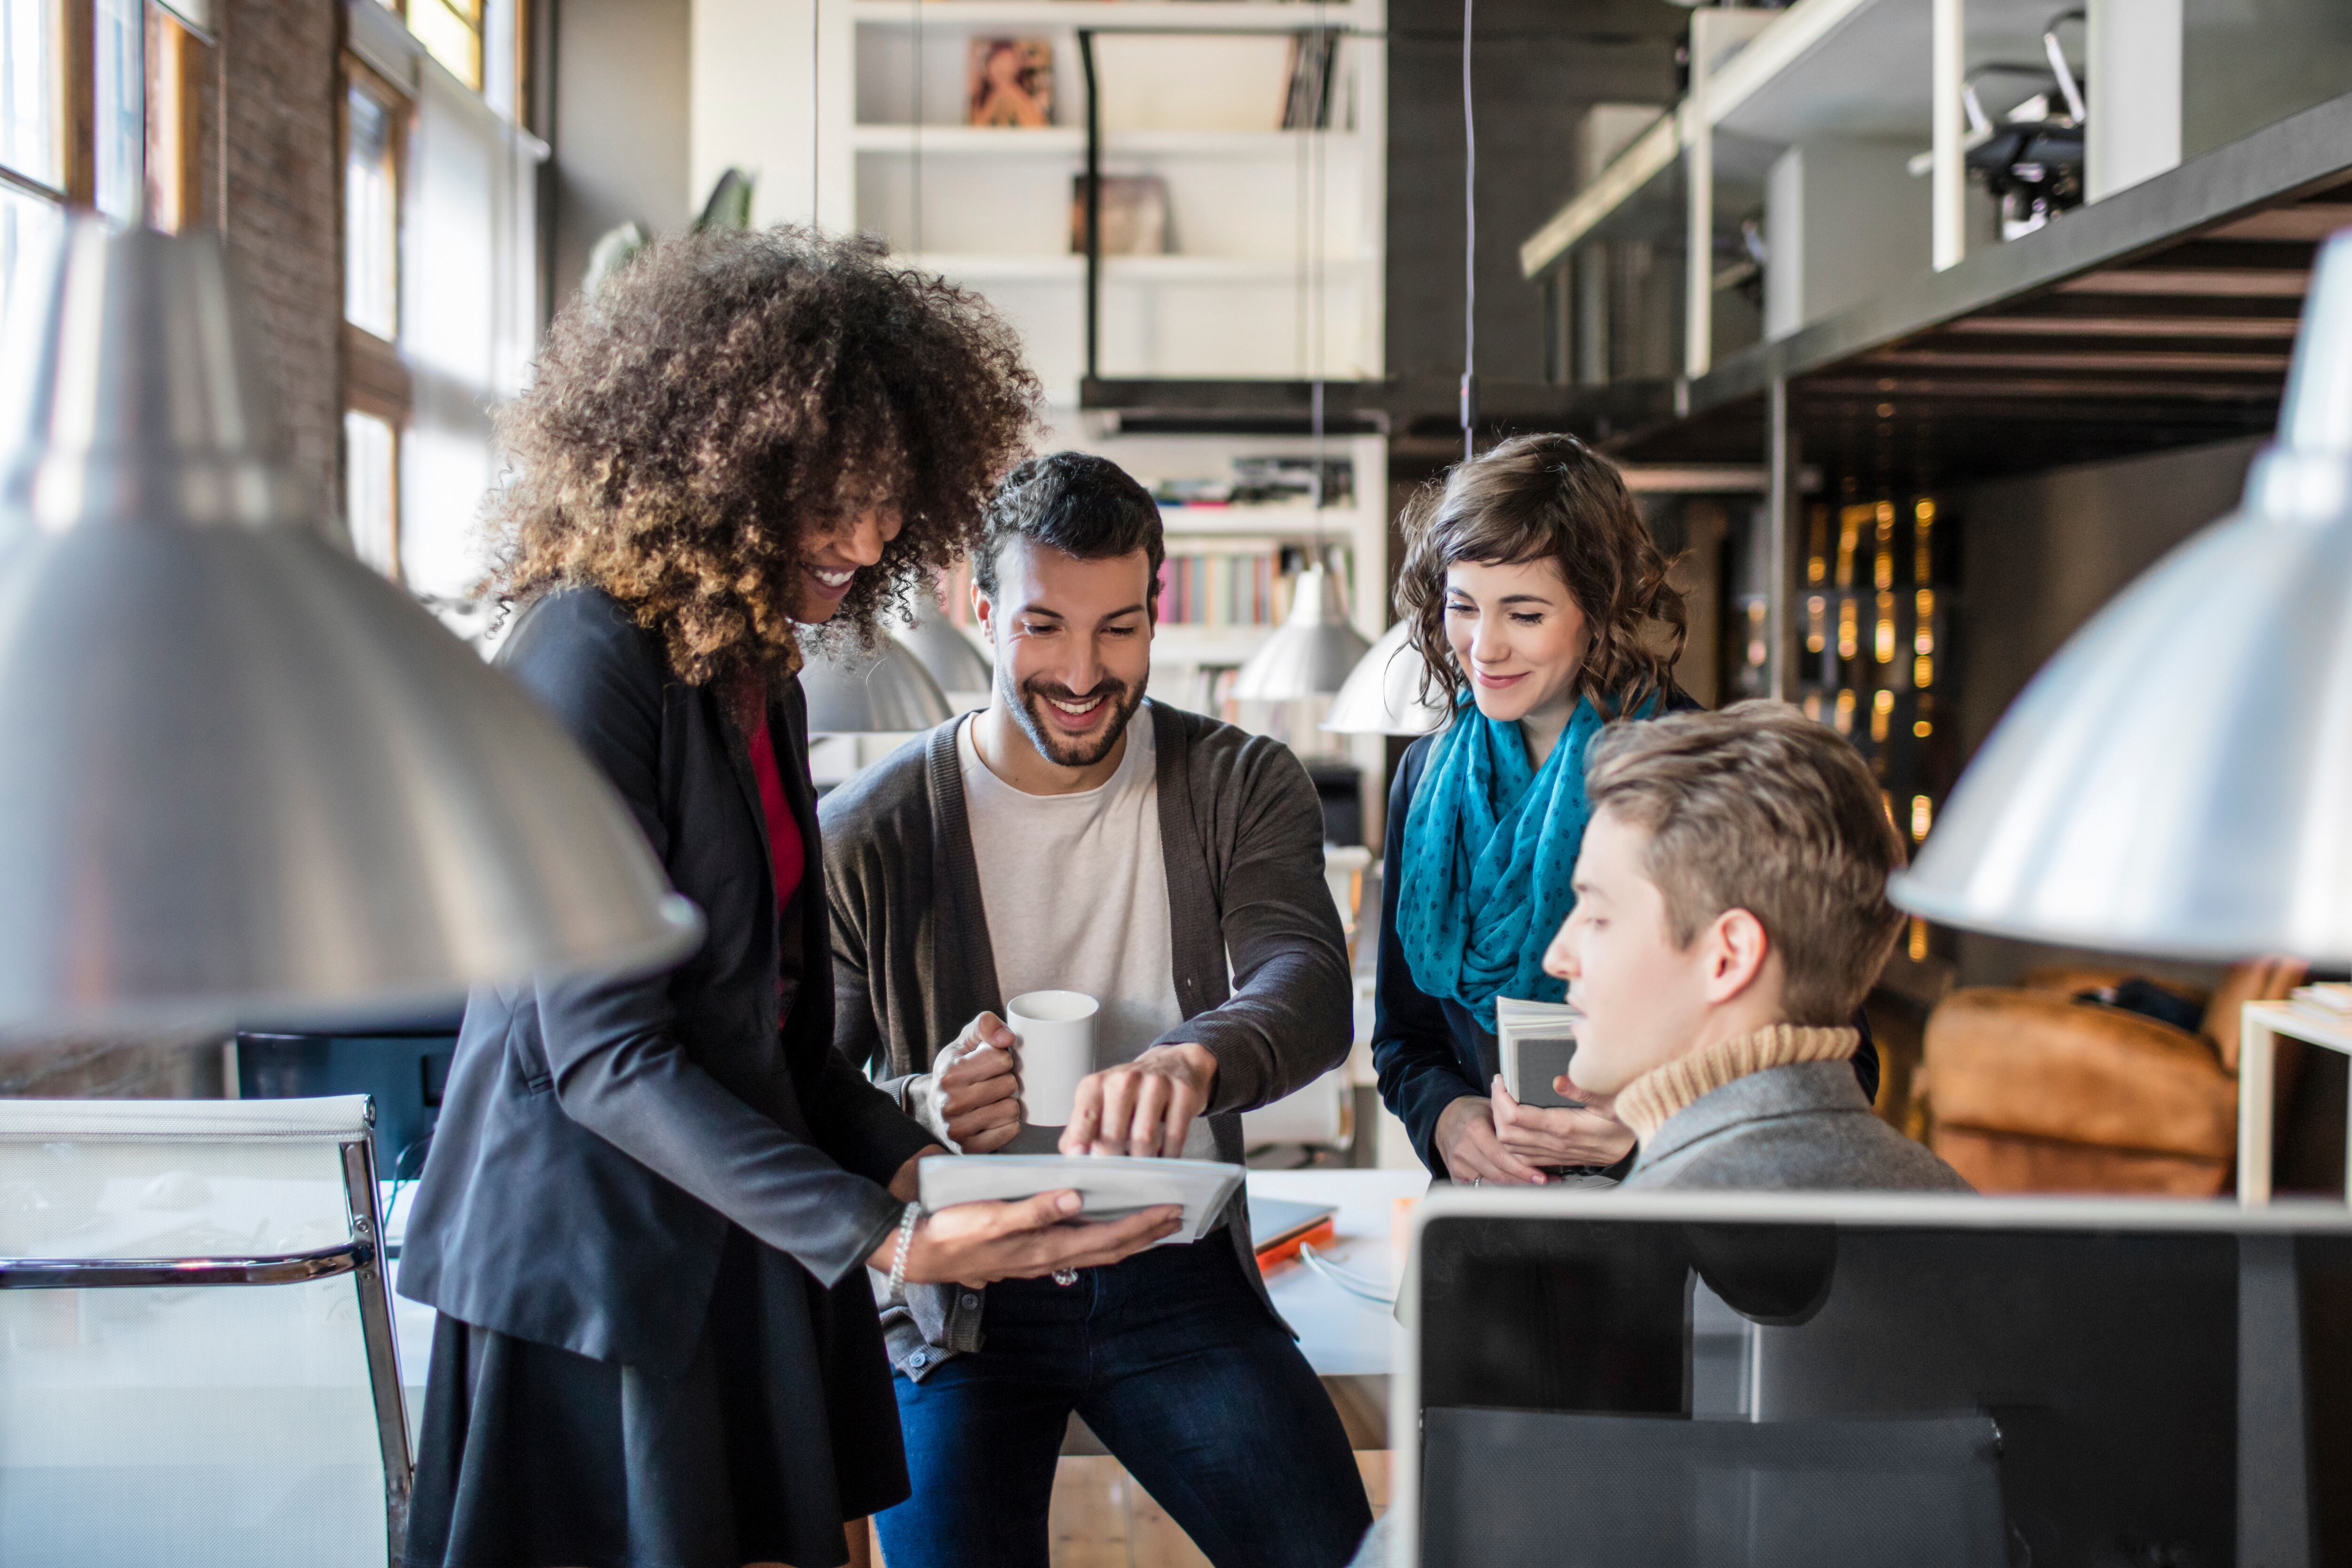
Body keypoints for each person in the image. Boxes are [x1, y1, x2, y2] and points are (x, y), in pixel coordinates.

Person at [396, 230, 1178, 1568]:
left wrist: (932, 1176)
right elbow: (606, 1054)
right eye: (838, 496)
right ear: (722, 460)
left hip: (733, 1232)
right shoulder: (587, 652)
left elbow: (775, 1036)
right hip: (594, 1277)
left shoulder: (754, 658)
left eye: (894, 502)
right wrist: (890, 1233)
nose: (870, 536)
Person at [822, 451, 1373, 1568]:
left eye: (1117, 629)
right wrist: (924, 1099)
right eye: (1042, 628)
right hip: (961, 1304)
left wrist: (1191, 1064)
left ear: (1156, 613)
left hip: (1178, 1273)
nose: (1082, 672)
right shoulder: (867, 831)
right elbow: (809, 1092)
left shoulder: (1238, 781)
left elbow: (1307, 988)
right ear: (978, 609)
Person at [1370, 434, 1877, 1187]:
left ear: (1597, 607)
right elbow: (1403, 1041)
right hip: (1486, 1218)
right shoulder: (1424, 778)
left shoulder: (1704, 781)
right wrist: (1447, 1119)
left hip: (1675, 1224)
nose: (1485, 647)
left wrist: (1646, 1135)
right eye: (1463, 607)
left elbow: (1840, 1069)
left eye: (1526, 614)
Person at [1543, 703, 1971, 1190]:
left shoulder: (1636, 1244)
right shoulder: (1949, 1201)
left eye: (1598, 917)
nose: (1557, 957)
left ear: (1728, 957)